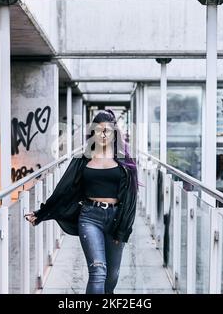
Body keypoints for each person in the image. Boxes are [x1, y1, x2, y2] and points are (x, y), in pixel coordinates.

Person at [25, 109, 139, 294]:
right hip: (89, 217)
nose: (102, 134)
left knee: (112, 275)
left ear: (114, 133)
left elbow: (131, 199)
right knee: (98, 271)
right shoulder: (83, 159)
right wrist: (42, 213)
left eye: (107, 130)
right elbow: (64, 189)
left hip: (116, 218)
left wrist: (123, 229)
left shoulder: (125, 161)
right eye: (98, 130)